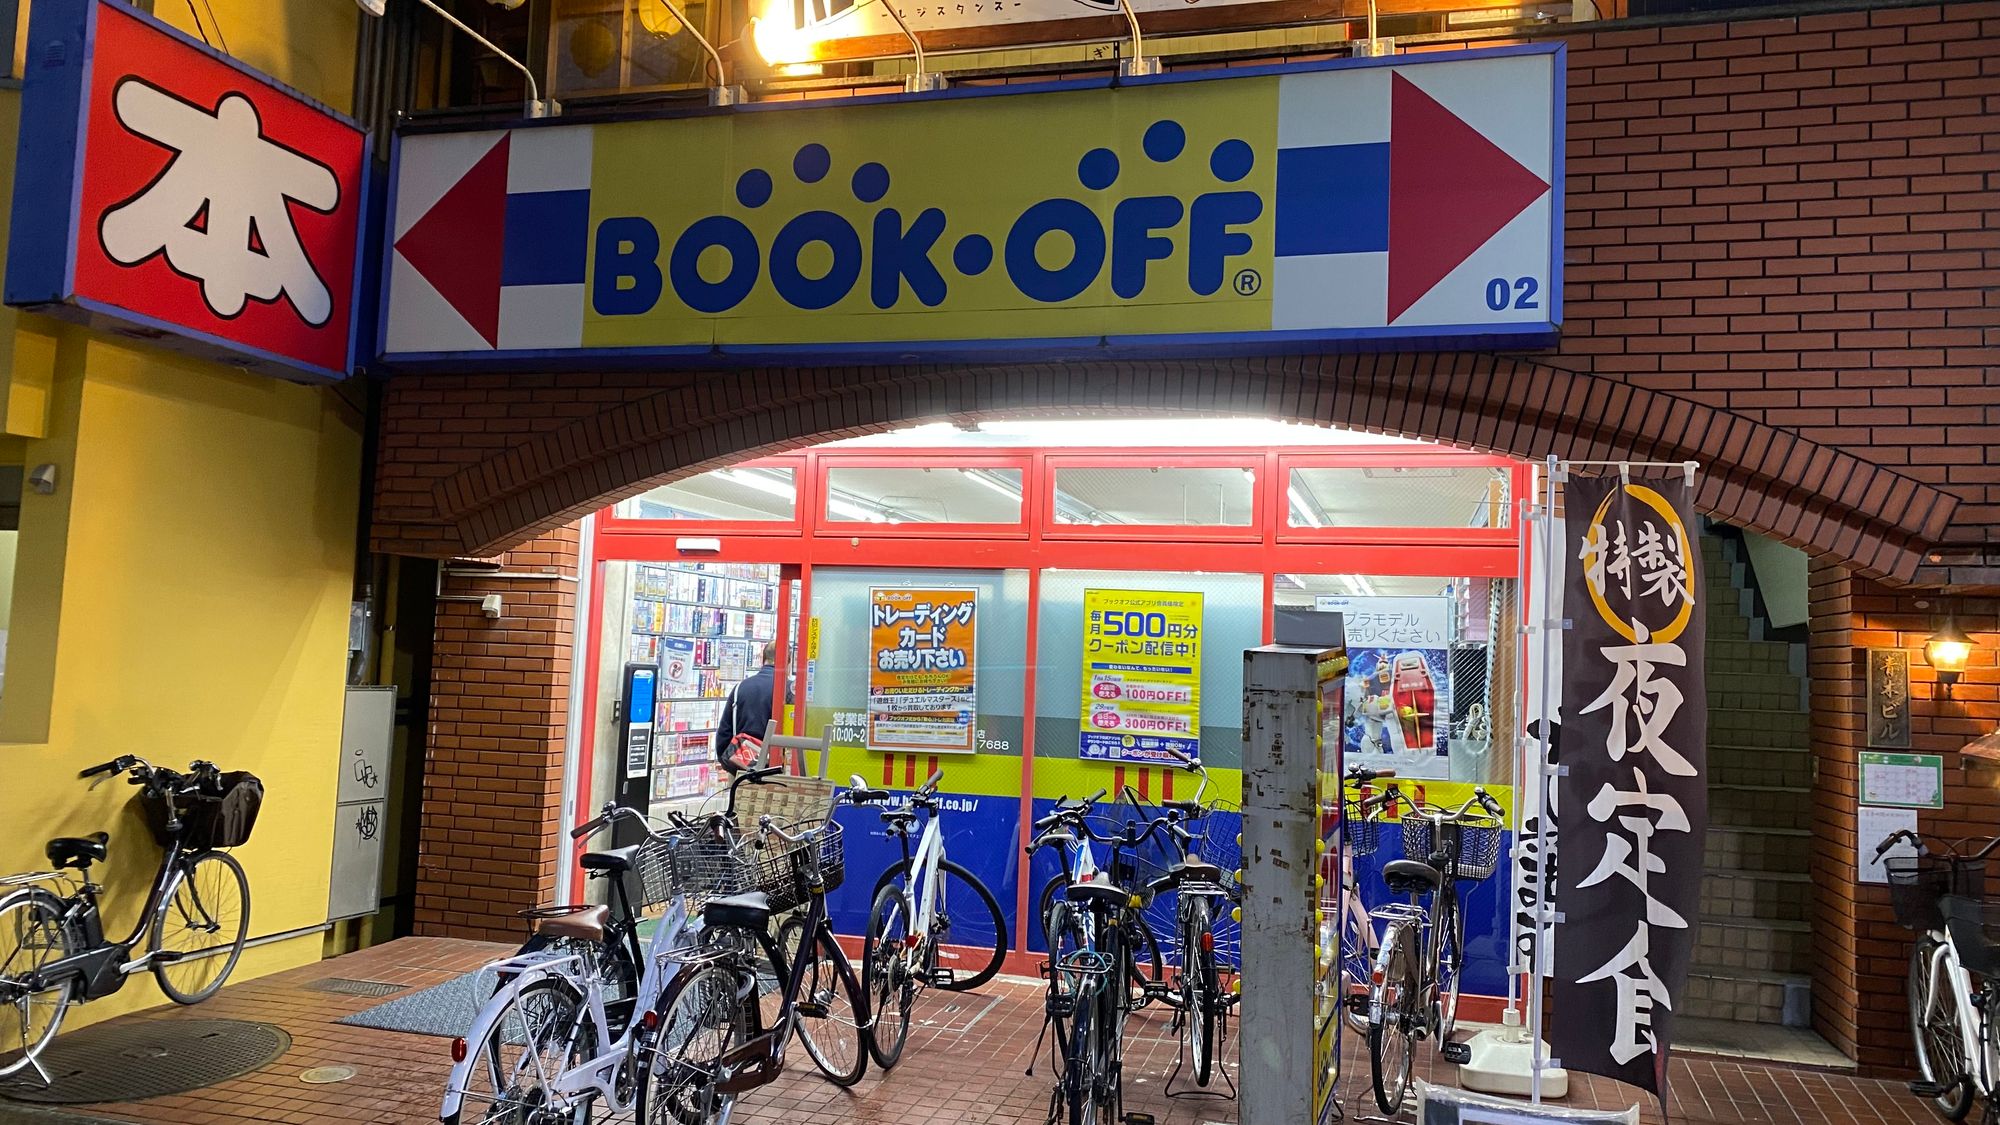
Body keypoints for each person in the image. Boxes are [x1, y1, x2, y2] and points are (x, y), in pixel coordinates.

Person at [715, 640, 788, 774]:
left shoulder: (740, 687)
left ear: (763, 659)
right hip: (774, 770)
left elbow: (724, 733)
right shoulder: (788, 689)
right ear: (787, 663)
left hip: (741, 766)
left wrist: (731, 764)